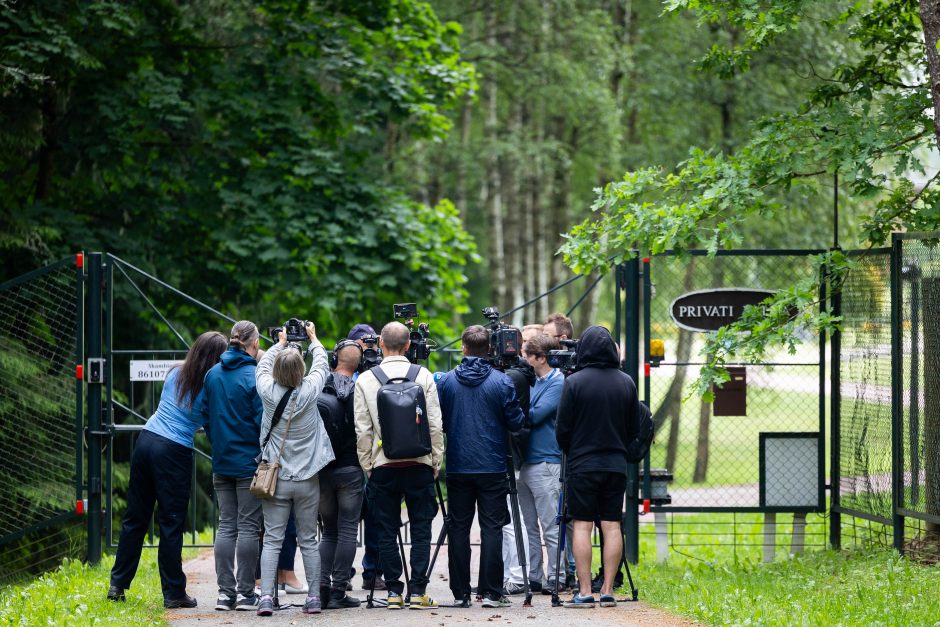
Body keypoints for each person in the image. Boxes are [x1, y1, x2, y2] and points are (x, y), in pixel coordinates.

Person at [108, 331, 227, 608]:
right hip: (172, 451)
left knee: (135, 518)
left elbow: (176, 408)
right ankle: (174, 593)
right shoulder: (210, 387)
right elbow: (211, 427)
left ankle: (117, 585)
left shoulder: (176, 373)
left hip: (146, 439)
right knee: (171, 523)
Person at [354, 321, 444, 610]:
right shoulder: (424, 376)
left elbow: (363, 429)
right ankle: (418, 590)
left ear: (380, 343)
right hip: (418, 463)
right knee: (420, 528)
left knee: (385, 529)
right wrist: (435, 461)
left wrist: (367, 464)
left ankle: (393, 591)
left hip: (383, 464)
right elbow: (434, 425)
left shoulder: (366, 380)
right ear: (408, 345)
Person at [436, 325, 525, 609]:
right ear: (489, 349)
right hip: (493, 465)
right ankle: (491, 593)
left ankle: (461, 593)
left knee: (459, 529)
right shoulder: (502, 382)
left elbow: (441, 423)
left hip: (459, 465)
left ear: (463, 347)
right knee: (492, 528)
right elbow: (516, 423)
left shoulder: (447, 382)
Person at [555, 325, 640, 609]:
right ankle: (607, 591)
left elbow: (562, 429)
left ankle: (584, 591)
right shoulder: (626, 382)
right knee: (612, 524)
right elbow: (632, 427)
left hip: (582, 463)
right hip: (615, 464)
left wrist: (573, 446)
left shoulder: (575, 382)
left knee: (581, 524)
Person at [254, 321, 335, 616]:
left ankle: (265, 597)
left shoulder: (266, 391)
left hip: (275, 477)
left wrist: (280, 342)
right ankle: (313, 598)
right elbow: (323, 363)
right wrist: (313, 337)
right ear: (301, 370)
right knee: (309, 540)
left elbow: (261, 367)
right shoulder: (311, 390)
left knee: (273, 539)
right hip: (307, 478)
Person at [193, 321, 265, 611]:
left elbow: (205, 417)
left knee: (226, 527)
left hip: (222, 461)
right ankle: (247, 594)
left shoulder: (212, 375)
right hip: (249, 462)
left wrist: (218, 442)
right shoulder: (254, 376)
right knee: (248, 527)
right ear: (254, 343)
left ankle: (225, 594)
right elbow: (263, 423)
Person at [316, 340, 365, 609]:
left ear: (335, 359)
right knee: (348, 531)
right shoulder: (359, 390)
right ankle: (338, 592)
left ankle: (321, 588)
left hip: (323, 469)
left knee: (328, 531)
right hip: (350, 468)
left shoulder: (319, 387)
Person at [518, 333, 565, 593]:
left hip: (546, 461)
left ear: (541, 358)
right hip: (525, 462)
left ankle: (556, 576)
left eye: (527, 355)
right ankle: (534, 576)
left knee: (550, 525)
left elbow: (534, 415)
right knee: (529, 527)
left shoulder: (558, 383)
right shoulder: (532, 381)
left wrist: (517, 408)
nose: (523, 360)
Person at [347, 323, 385, 591]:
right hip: (348, 454)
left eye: (372, 346)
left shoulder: (382, 374)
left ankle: (373, 571)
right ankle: (341, 573)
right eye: (363, 347)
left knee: (376, 516)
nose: (368, 353)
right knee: (344, 518)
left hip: (376, 453)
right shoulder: (340, 374)